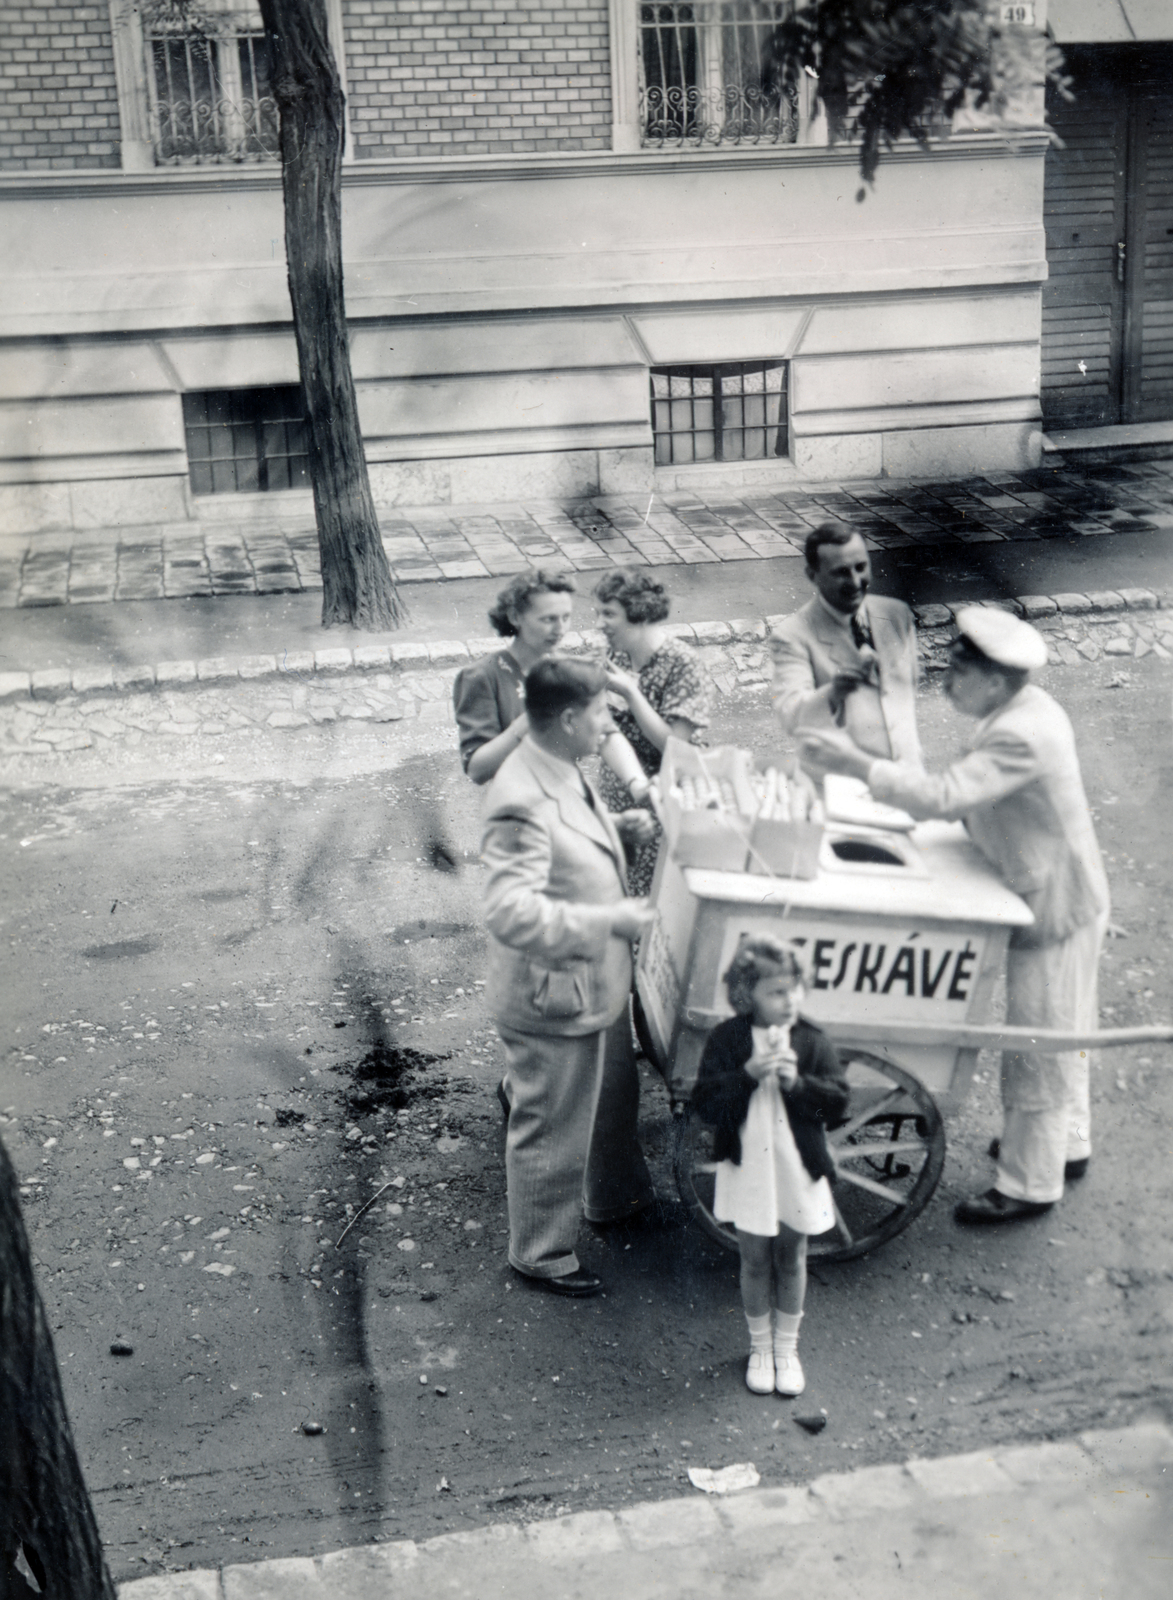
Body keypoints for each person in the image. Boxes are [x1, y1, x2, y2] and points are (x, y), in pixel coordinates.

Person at [800, 606, 1110, 1225]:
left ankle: (1030, 1183)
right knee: (1063, 1033)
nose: (945, 684)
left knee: (1039, 1048)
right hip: (1052, 885)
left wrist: (859, 766)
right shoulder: (1022, 710)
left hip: (1054, 905)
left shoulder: (1020, 733)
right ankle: (1066, 1143)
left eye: (957, 674)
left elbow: (946, 796)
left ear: (995, 680)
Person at [481, 658, 658, 1296]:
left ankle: (613, 1199)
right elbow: (511, 911)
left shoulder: (556, 763)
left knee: (605, 1095)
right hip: (550, 993)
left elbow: (568, 844)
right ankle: (541, 1254)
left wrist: (617, 833)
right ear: (566, 719)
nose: (609, 726)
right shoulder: (519, 798)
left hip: (587, 982)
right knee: (552, 1123)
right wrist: (609, 918)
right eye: (602, 715)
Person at [692, 938, 849, 1395]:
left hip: (795, 1168)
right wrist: (748, 1074)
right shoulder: (728, 1039)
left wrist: (797, 1083)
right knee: (755, 1258)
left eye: (794, 989)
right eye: (776, 992)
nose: (789, 1001)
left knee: (793, 1254)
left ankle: (787, 1348)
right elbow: (706, 1105)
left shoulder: (813, 1040)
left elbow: (838, 1104)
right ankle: (760, 1348)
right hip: (750, 1168)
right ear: (747, 995)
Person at [453, 568, 646, 791]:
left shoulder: (566, 670)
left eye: (566, 617)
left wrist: (637, 783)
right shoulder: (483, 676)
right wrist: (531, 719)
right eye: (548, 619)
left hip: (568, 796)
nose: (560, 629)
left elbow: (606, 732)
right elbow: (477, 769)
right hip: (517, 807)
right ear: (515, 617)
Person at [594, 568, 713, 894]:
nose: (599, 623)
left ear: (639, 614)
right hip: (618, 795)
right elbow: (603, 726)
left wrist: (632, 695)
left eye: (609, 614)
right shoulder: (616, 655)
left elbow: (676, 745)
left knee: (656, 897)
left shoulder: (683, 664)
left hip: (665, 803)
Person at [770, 522, 921, 774]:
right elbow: (790, 716)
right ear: (812, 575)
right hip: (840, 787)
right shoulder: (792, 635)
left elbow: (907, 689)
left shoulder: (896, 614)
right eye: (840, 572)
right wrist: (833, 692)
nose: (855, 581)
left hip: (907, 776)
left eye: (861, 567)